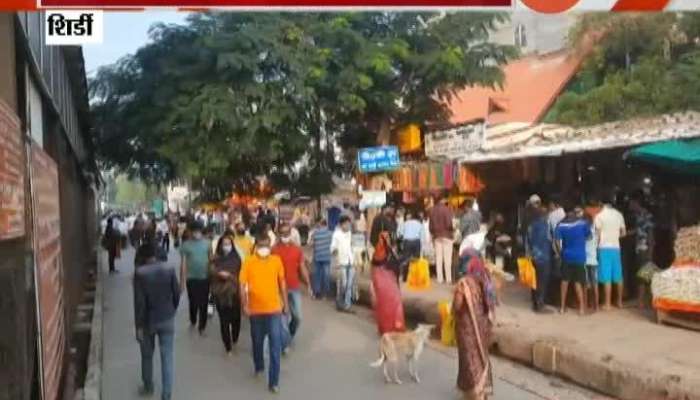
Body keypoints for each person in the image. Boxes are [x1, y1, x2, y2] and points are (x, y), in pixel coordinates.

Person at [239, 235, 288, 394]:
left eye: (267, 245)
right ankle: (259, 365)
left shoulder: (276, 261)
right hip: (255, 311)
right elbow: (242, 285)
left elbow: (282, 282)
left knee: (275, 345)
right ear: (256, 246)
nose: (264, 248)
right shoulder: (248, 262)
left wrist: (285, 304)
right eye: (261, 245)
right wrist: (244, 305)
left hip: (274, 309)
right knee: (257, 342)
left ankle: (274, 381)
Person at [133, 243, 180, 400]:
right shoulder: (169, 269)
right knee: (167, 357)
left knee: (147, 355)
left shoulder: (139, 274)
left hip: (147, 321)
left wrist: (138, 326)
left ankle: (148, 387)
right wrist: (172, 310)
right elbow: (177, 293)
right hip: (167, 318)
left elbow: (139, 303)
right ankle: (166, 394)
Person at [453, 256, 494, 400]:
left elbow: (457, 306)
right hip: (482, 329)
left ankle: (475, 394)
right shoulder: (485, 280)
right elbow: (491, 305)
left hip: (467, 330)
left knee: (469, 361)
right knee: (481, 358)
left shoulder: (464, 284)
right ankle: (482, 391)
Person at [273, 223, 311, 349]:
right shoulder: (274, 250)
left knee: (298, 317)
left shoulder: (297, 250)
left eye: (287, 233)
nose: (285, 236)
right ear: (279, 234)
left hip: (294, 287)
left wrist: (308, 283)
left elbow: (302, 267)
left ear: (291, 233)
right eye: (282, 233)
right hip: (278, 288)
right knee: (283, 317)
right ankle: (284, 343)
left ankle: (289, 336)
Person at [209, 236, 242, 355]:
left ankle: (235, 339)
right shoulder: (215, 259)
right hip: (220, 294)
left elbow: (240, 276)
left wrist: (230, 276)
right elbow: (211, 272)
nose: (226, 246)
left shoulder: (237, 258)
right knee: (223, 321)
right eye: (224, 244)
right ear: (220, 245)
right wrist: (218, 273)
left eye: (229, 244)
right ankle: (228, 347)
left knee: (236, 320)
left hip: (234, 293)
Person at [554, 207, 590, 316]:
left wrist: (561, 253)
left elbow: (556, 241)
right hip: (580, 257)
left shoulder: (560, 226)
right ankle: (581, 309)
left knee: (564, 282)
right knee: (578, 283)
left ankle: (562, 308)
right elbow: (589, 237)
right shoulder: (583, 224)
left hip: (567, 256)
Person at [179, 222, 212, 335]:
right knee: (193, 301)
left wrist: (213, 277)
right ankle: (193, 319)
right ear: (190, 232)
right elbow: (183, 264)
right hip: (191, 278)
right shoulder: (186, 245)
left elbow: (211, 259)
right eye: (194, 231)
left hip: (205, 277)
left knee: (204, 302)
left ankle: (202, 326)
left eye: (198, 231)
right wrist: (182, 281)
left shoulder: (208, 243)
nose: (196, 233)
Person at [594, 198, 627, 310]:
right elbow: (623, 233)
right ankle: (620, 302)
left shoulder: (599, 216)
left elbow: (597, 234)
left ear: (600, 204)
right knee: (618, 276)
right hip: (616, 248)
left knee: (606, 276)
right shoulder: (619, 214)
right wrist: (614, 237)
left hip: (604, 248)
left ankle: (607, 303)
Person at [629, 194, 655, 308]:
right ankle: (646, 300)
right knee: (644, 274)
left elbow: (650, 233)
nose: (629, 205)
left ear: (636, 202)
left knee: (644, 275)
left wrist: (650, 250)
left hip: (645, 248)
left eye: (631, 203)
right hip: (640, 248)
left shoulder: (646, 215)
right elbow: (639, 230)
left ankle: (641, 301)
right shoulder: (638, 215)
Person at [526, 206, 553, 313]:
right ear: (544, 215)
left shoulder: (531, 226)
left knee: (534, 281)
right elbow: (551, 239)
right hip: (544, 257)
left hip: (533, 256)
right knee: (542, 281)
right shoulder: (546, 225)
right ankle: (540, 304)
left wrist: (529, 254)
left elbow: (527, 241)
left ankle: (534, 303)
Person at [332, 216, 355, 312]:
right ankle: (339, 300)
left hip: (350, 261)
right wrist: (336, 259)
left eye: (349, 224)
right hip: (342, 262)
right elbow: (333, 248)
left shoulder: (349, 233)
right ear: (342, 225)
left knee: (350, 285)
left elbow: (351, 246)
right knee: (344, 284)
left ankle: (347, 305)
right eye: (346, 224)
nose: (348, 226)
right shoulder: (336, 234)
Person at [430, 197, 455, 284]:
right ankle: (448, 279)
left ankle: (440, 279)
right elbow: (449, 223)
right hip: (447, 235)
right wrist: (453, 229)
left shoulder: (432, 210)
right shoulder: (447, 210)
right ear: (443, 200)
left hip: (437, 236)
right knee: (447, 259)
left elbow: (430, 226)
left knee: (438, 258)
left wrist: (434, 233)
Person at [309, 218, 333, 299]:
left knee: (317, 276)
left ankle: (317, 292)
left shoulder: (315, 233)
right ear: (326, 224)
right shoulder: (330, 233)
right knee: (326, 275)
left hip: (317, 257)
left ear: (320, 224)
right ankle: (326, 292)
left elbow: (311, 244)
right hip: (327, 257)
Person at [582, 208, 600, 312]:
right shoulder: (595, 230)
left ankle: (585, 305)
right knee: (595, 284)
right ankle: (596, 306)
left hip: (584, 259)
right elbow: (597, 243)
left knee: (585, 284)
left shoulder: (583, 231)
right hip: (594, 260)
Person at [400, 211, 424, 282]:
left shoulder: (405, 223)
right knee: (416, 260)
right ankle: (415, 278)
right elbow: (422, 236)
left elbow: (400, 233)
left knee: (406, 260)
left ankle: (405, 277)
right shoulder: (419, 224)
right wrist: (422, 245)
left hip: (407, 242)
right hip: (416, 242)